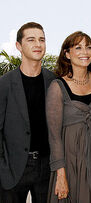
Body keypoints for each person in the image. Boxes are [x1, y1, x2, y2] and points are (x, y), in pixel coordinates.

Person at [46, 31, 91, 203]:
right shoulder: (57, 87)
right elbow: (54, 137)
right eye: (78, 47)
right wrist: (61, 174)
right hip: (70, 161)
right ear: (67, 54)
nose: (85, 52)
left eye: (88, 47)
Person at [0, 22, 55, 203]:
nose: (38, 44)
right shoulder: (4, 84)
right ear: (19, 46)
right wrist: (3, 168)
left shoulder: (54, 81)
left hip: (47, 169)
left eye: (42, 40)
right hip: (14, 170)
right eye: (31, 40)